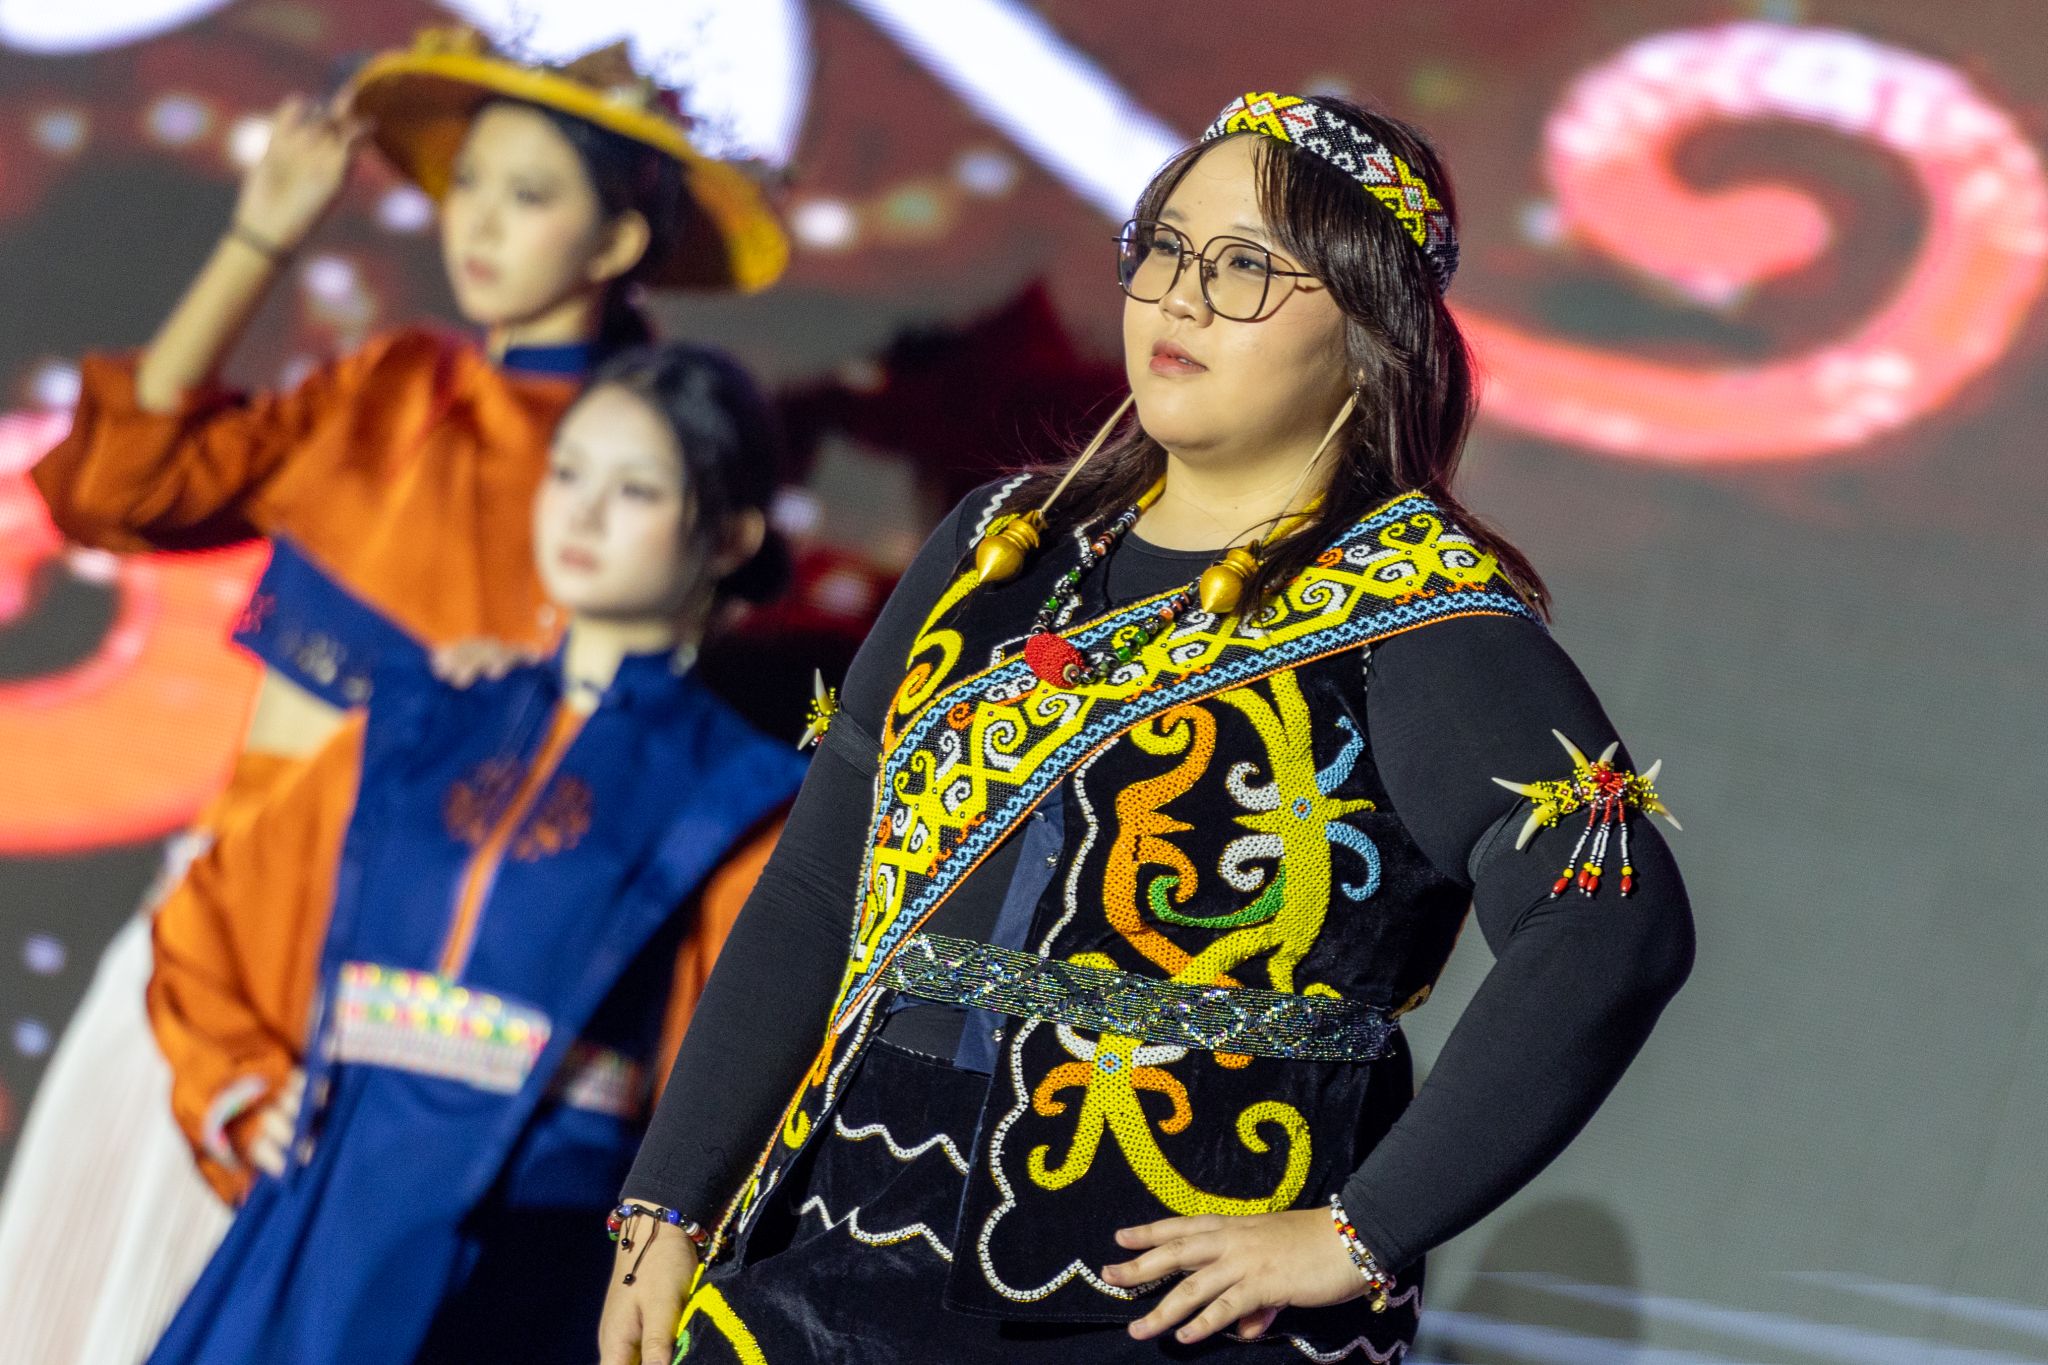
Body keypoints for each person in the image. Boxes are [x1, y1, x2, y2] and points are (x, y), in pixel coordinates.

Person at [598, 92, 1696, 1364]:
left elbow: (1609, 922)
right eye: (1163, 249)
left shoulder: (1417, 618)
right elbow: (813, 890)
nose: (1180, 297)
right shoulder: (998, 547)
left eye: (1242, 268)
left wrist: (1359, 1232)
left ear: (1370, 329)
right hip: (835, 1243)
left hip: (1158, 1311)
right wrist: (667, 1203)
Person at [0, 28, 784, 1365]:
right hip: (210, 946)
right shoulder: (389, 391)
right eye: (466, 183)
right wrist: (261, 237)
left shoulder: (624, 484)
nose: (477, 222)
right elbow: (113, 491)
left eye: (527, 194)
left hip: (401, 1011)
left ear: (615, 240)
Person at [143, 342, 806, 1365]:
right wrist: (238, 1082)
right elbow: (217, 911)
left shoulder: (737, 794)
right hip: (328, 1207)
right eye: (568, 472)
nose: (582, 514)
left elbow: (747, 1061)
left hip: (533, 1245)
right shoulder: (423, 721)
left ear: (728, 536)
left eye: (634, 489)